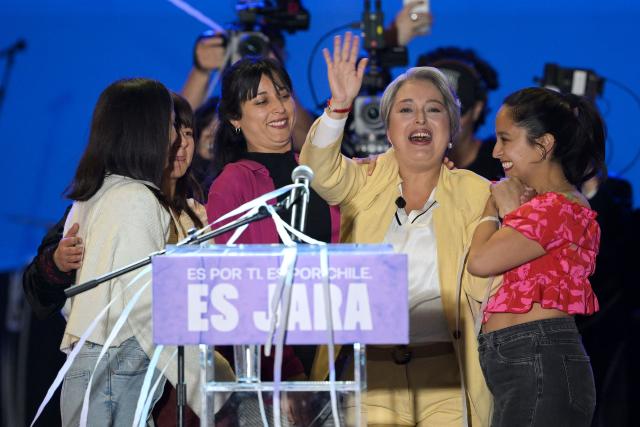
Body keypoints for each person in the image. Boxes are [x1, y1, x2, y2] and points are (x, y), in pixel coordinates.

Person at [300, 32, 494, 426]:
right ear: (388, 129)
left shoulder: (477, 193)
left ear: (452, 128)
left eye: (434, 110)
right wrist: (338, 107)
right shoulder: (365, 179)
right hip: (370, 376)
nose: (420, 119)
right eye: (406, 109)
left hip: (446, 377)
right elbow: (317, 173)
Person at [54, 79, 234, 426]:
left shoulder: (93, 195)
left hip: (96, 371)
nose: (175, 138)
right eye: (169, 125)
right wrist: (216, 393)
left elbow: (73, 304)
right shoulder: (136, 198)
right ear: (146, 129)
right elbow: (148, 310)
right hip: (115, 377)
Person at [467, 87, 606, 426]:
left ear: (543, 144)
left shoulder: (560, 208)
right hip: (524, 360)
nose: (496, 150)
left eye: (505, 139)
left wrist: (492, 206)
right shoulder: (541, 206)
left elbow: (481, 262)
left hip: (540, 360)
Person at [417, 47, 502, 181]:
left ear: (477, 109)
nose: (444, 122)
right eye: (433, 110)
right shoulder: (400, 162)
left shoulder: (501, 162)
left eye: (456, 112)